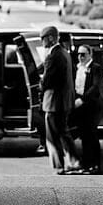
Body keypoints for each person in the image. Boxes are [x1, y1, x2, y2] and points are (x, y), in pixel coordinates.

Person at [39, 26, 81, 175]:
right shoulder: (65, 53)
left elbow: (47, 81)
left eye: (42, 38)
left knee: (52, 136)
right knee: (64, 132)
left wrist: (40, 84)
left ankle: (59, 166)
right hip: (64, 101)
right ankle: (74, 162)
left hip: (53, 102)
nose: (42, 42)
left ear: (50, 38)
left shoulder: (53, 56)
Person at [72, 44, 103, 174]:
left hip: (91, 105)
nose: (80, 57)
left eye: (83, 54)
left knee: (91, 135)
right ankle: (86, 164)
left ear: (90, 55)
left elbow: (95, 87)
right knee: (84, 135)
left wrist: (82, 100)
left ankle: (95, 164)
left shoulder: (96, 68)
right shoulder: (77, 68)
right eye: (79, 54)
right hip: (79, 104)